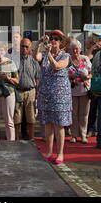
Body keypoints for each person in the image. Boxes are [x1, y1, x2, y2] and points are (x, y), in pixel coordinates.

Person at [36, 30, 72, 165]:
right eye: (52, 38)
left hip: (60, 95)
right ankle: (49, 151)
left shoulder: (66, 56)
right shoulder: (45, 53)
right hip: (46, 93)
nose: (53, 41)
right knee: (47, 124)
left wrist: (49, 54)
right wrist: (39, 43)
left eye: (56, 39)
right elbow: (36, 57)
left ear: (61, 42)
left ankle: (60, 153)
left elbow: (57, 66)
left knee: (59, 125)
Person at [14, 38, 39, 141]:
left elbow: (38, 77)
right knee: (16, 117)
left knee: (31, 118)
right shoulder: (13, 60)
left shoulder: (34, 61)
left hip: (30, 91)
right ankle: (16, 138)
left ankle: (31, 138)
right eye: (22, 46)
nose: (24, 48)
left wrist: (36, 91)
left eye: (26, 46)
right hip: (17, 91)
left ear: (30, 48)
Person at [68, 39, 92, 144]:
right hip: (72, 91)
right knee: (73, 114)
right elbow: (64, 74)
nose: (75, 51)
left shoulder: (85, 59)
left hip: (84, 90)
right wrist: (73, 76)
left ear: (80, 49)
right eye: (73, 49)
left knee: (84, 114)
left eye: (76, 48)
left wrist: (86, 77)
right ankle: (74, 135)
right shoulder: (67, 59)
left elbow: (92, 73)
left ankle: (83, 135)